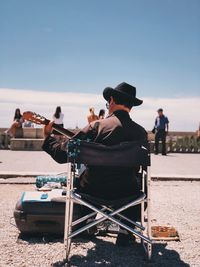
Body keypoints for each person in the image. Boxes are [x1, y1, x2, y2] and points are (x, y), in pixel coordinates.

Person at [42, 82, 147, 245]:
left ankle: (86, 223)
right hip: (128, 193)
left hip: (91, 191)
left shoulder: (96, 126)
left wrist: (48, 138)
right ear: (131, 106)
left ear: (111, 100)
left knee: (82, 177)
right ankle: (127, 228)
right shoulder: (140, 133)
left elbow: (64, 154)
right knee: (142, 182)